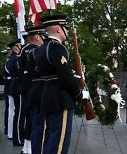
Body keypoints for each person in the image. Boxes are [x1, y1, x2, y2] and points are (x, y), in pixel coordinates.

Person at [35, 14, 83, 153]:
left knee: (50, 138)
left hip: (48, 95)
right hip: (60, 98)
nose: (67, 32)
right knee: (59, 143)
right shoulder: (57, 48)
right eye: (65, 28)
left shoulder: (42, 48)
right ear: (58, 29)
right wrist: (78, 93)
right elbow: (66, 76)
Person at [18, 26, 46, 154]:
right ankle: (30, 146)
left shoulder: (23, 50)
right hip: (35, 85)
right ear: (36, 36)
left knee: (29, 117)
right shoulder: (36, 50)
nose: (44, 38)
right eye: (43, 35)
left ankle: (26, 146)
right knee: (35, 119)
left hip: (25, 85)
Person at [7, 39, 25, 146]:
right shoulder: (15, 59)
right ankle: (18, 138)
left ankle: (18, 137)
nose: (20, 48)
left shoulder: (12, 58)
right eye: (19, 46)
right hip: (18, 86)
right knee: (19, 114)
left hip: (16, 85)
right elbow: (20, 72)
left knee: (19, 113)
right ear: (16, 47)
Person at [1, 47, 11, 135]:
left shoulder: (7, 63)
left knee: (9, 108)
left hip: (8, 86)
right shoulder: (7, 63)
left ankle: (7, 127)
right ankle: (7, 127)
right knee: (9, 108)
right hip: (9, 86)